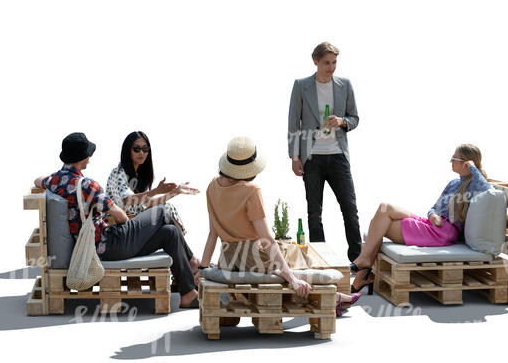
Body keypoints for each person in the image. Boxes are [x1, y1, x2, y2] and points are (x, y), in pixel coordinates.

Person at [34, 132, 200, 308]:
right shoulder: (87, 185)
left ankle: (188, 293)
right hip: (109, 245)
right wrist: (128, 231)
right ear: (84, 158)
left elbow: (38, 180)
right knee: (161, 213)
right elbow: (120, 215)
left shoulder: (54, 180)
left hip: (97, 246)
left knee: (170, 233)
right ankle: (193, 262)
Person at [197, 136, 360, 315]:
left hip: (228, 259)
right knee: (298, 252)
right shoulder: (251, 191)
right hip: (255, 258)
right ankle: (331, 298)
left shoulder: (212, 186)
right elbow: (266, 240)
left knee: (287, 251)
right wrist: (292, 279)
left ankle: (334, 296)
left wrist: (203, 268)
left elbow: (213, 232)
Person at [349, 144, 492, 293]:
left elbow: (487, 189)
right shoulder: (453, 183)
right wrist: (432, 215)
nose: (451, 161)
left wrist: (473, 168)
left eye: (454, 158)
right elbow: (434, 207)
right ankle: (364, 265)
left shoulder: (474, 186)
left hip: (443, 232)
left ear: (466, 163)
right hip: (433, 224)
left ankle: (363, 271)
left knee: (380, 225)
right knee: (385, 208)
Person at [288, 41, 362, 262]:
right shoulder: (302, 86)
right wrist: (294, 156)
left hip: (338, 155)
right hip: (312, 157)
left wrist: (342, 121)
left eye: (334, 62)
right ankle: (321, 259)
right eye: (327, 63)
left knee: (350, 209)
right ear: (316, 62)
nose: (331, 67)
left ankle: (357, 260)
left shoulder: (344, 85)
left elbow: (355, 118)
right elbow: (294, 124)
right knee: (314, 213)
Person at [105, 131, 201, 273]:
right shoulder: (119, 172)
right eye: (136, 149)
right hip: (119, 232)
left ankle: (186, 263)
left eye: (145, 149)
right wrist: (156, 190)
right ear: (127, 150)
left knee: (168, 209)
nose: (142, 153)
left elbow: (148, 204)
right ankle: (190, 261)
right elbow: (127, 200)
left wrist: (175, 192)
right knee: (165, 211)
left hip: (133, 227)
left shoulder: (138, 175)